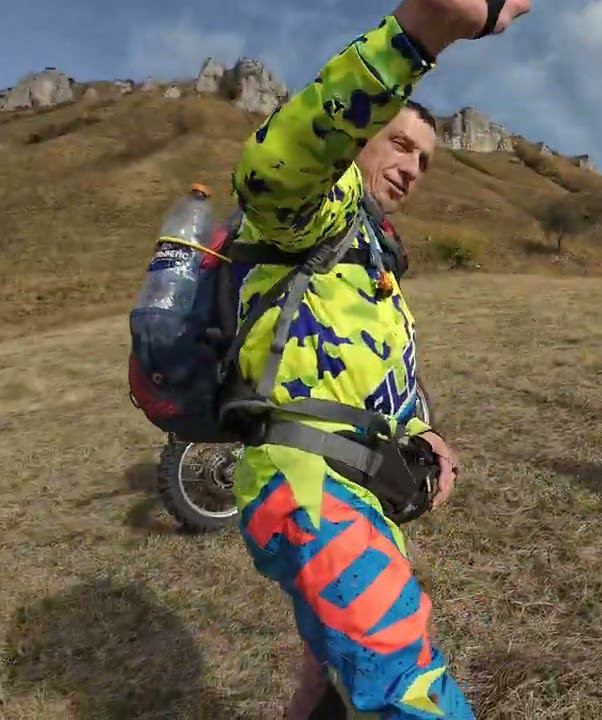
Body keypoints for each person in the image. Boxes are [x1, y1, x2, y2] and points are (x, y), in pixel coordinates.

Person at [226, 1, 532, 718]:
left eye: (424, 159)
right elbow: (273, 167)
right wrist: (419, 32)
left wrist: (423, 430)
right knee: (408, 685)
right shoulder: (314, 215)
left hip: (357, 487)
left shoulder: (371, 255)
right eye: (398, 144)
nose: (412, 167)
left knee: (330, 672)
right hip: (308, 484)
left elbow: (370, 374)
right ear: (359, 139)